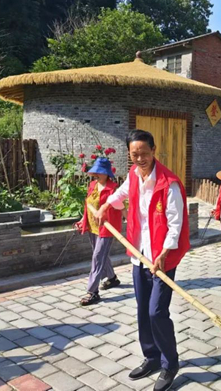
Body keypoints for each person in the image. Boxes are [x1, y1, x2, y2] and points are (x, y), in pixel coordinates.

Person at [95, 130, 190, 391]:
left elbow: (175, 224)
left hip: (163, 258)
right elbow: (120, 195)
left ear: (153, 150)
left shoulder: (169, 183)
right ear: (129, 154)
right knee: (142, 309)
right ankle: (151, 357)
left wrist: (163, 253)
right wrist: (105, 206)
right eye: (134, 154)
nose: (140, 159)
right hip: (139, 255)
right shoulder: (133, 176)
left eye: (144, 153)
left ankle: (170, 363)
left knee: (156, 311)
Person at [74, 157, 122, 306]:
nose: (97, 174)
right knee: (100, 255)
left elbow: (122, 208)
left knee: (97, 257)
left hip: (106, 227)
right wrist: (83, 220)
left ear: (107, 173)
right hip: (92, 226)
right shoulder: (93, 185)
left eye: (100, 172)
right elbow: (88, 205)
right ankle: (112, 279)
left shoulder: (113, 189)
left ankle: (92, 292)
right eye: (96, 172)